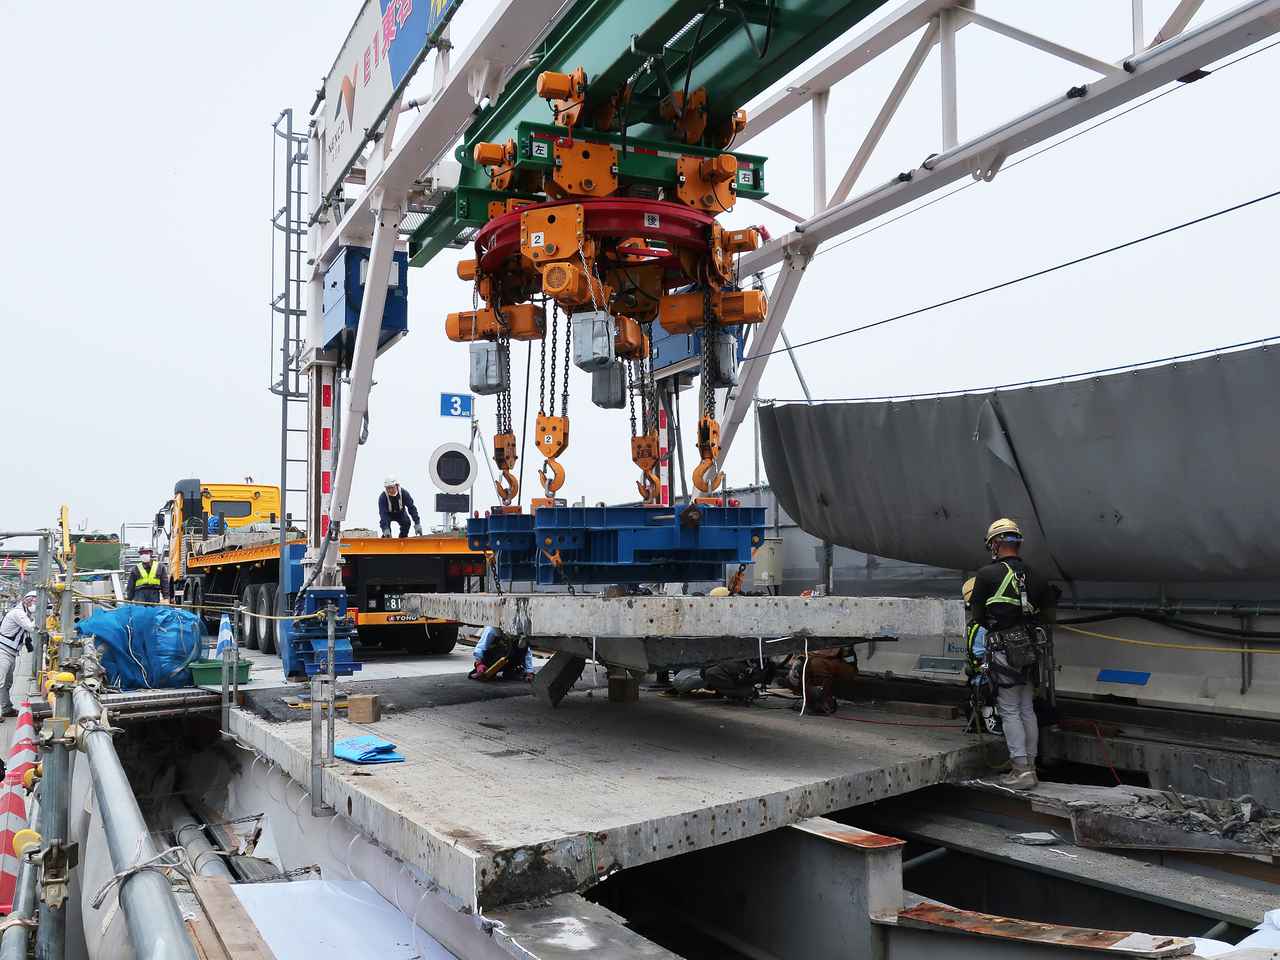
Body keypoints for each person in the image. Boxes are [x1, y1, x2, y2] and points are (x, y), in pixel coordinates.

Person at [967, 518, 1053, 789]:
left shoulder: (987, 575)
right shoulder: (1036, 575)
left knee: (1010, 708)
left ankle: (1020, 769)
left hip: (1004, 650)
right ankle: (1031, 765)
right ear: (1017, 542)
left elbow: (977, 615)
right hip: (1031, 650)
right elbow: (1049, 613)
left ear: (995, 543)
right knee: (1027, 708)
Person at [0, 592, 37, 719]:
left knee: (7, 683)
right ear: (28, 601)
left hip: (11, 653)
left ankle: (6, 709)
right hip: (3, 651)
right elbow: (31, 627)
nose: (35, 604)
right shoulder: (18, 613)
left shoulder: (26, 614)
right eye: (35, 601)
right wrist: (40, 616)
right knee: (0, 681)